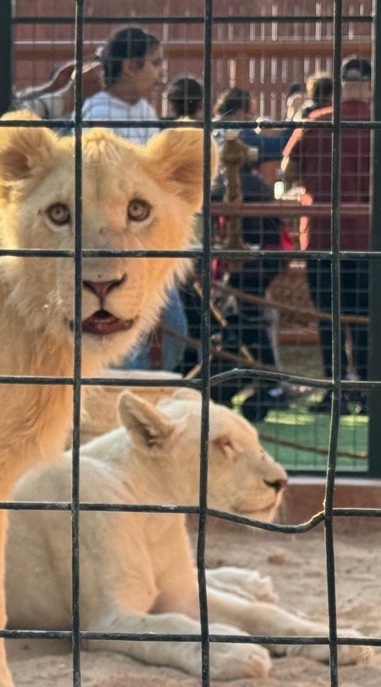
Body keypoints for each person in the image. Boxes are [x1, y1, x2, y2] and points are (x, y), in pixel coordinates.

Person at [281, 56, 381, 413]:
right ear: (370, 86)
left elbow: (287, 171)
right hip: (370, 239)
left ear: (340, 85)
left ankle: (336, 390)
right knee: (366, 318)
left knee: (330, 318)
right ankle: (370, 393)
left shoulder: (314, 123)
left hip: (322, 236)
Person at [81, 26, 185, 371]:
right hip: (111, 245)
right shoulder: (96, 115)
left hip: (145, 242)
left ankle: (145, 389)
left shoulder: (144, 111)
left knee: (172, 327)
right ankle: (131, 392)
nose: (160, 74)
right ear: (130, 66)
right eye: (155, 63)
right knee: (129, 334)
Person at [207, 108, 295, 421]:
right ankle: (261, 382)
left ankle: (262, 382)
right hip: (259, 260)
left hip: (252, 261)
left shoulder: (230, 185)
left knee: (242, 318)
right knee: (246, 317)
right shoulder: (253, 183)